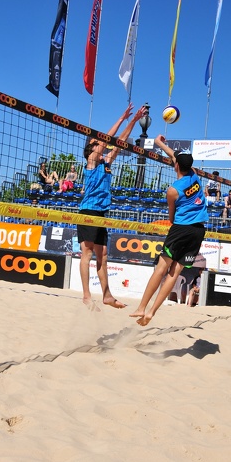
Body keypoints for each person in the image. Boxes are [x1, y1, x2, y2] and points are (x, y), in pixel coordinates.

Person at [130, 135, 209, 326]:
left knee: (161, 268)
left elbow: (171, 218)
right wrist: (159, 143)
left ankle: (141, 307)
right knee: (175, 272)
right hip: (198, 231)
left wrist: (157, 142)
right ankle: (152, 312)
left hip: (181, 229)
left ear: (176, 166)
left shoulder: (173, 190)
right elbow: (174, 156)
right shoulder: (194, 174)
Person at [78, 103, 146, 310]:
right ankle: (87, 295)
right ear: (92, 147)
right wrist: (121, 118)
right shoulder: (91, 161)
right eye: (97, 142)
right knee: (87, 254)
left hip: (101, 212)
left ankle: (107, 295)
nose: (101, 143)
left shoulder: (106, 163)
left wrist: (133, 121)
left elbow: (120, 142)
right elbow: (108, 140)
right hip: (89, 210)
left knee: (103, 255)